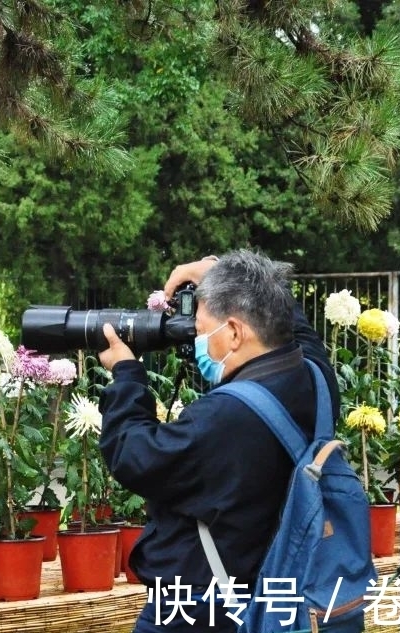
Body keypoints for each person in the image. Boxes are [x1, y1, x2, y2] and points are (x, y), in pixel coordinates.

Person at [97, 249, 341, 633]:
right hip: (273, 593)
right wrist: (218, 270)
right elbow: (295, 324)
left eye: (199, 329)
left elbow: (135, 456)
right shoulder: (315, 378)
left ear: (233, 332)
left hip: (202, 610)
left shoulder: (225, 417)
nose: (197, 341)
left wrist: (127, 376)